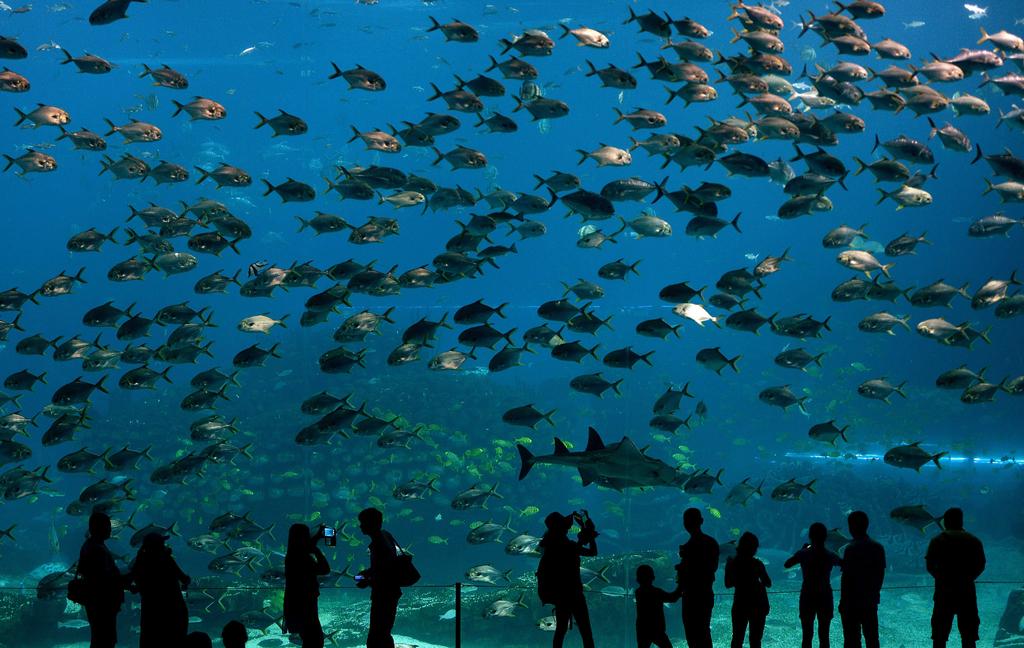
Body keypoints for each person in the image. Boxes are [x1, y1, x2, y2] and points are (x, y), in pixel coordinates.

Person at [537, 510, 599, 648]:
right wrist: (588, 531)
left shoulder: (550, 546)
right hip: (574, 594)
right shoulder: (568, 546)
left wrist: (584, 533)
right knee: (586, 632)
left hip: (559, 596)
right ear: (561, 528)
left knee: (560, 631)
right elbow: (593, 552)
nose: (568, 527)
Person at [926, 507, 986, 648]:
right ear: (961, 521)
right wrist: (968, 578)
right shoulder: (973, 540)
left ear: (945, 522)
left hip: (943, 593)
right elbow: (981, 565)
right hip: (967, 593)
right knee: (968, 636)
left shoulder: (937, 540)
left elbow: (930, 566)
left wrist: (942, 578)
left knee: (939, 637)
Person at [128, 532, 191, 648]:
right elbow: (184, 578)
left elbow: (133, 586)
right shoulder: (166, 559)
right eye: (162, 542)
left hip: (151, 613)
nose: (164, 544)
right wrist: (186, 581)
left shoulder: (140, 562)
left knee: (151, 640)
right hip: (173, 610)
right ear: (158, 545)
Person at [785, 522, 842, 648]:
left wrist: (803, 550)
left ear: (810, 536)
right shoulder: (829, 554)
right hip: (825, 595)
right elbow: (842, 563)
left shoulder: (804, 553)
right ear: (825, 537)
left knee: (807, 635)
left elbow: (787, 564)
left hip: (807, 595)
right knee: (824, 635)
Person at [77, 511, 125, 648]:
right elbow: (104, 579)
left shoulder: (88, 545)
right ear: (97, 528)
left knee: (99, 637)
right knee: (105, 639)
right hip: (102, 602)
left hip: (94, 601)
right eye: (107, 526)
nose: (110, 529)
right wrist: (124, 579)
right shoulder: (98, 549)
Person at [357, 507, 404, 648]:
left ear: (371, 523)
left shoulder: (379, 543)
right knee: (383, 634)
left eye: (363, 522)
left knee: (376, 637)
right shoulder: (385, 535)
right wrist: (369, 572)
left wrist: (367, 581)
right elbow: (386, 566)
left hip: (384, 595)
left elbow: (386, 573)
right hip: (390, 592)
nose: (360, 526)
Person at [838, 511, 886, 648]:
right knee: (872, 638)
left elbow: (846, 578)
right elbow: (880, 575)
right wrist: (875, 593)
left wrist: (843, 601)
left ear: (851, 527)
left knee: (852, 640)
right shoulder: (878, 547)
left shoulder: (851, 549)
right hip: (870, 601)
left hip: (851, 602)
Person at [677, 507, 719, 648]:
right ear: (701, 521)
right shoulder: (711, 542)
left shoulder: (687, 548)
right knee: (703, 632)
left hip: (691, 595)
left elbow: (690, 573)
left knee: (692, 634)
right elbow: (712, 568)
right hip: (706, 593)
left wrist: (683, 565)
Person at [284, 524, 331, 648]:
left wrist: (316, 539)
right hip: (305, 605)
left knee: (309, 638)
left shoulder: (292, 554)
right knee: (315, 639)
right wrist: (316, 549)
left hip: (296, 604)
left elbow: (304, 547)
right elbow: (325, 569)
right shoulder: (301, 557)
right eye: (306, 535)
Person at [724, 531, 771, 648]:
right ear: (754, 548)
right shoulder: (758, 564)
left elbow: (728, 584)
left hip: (740, 603)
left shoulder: (733, 563)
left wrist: (729, 568)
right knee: (755, 640)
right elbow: (768, 583)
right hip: (757, 604)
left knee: (737, 639)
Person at [635, 564, 680, 648]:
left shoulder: (638, 592)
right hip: (657, 630)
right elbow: (673, 598)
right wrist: (680, 586)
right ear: (653, 577)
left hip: (642, 629)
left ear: (638, 579)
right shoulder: (656, 592)